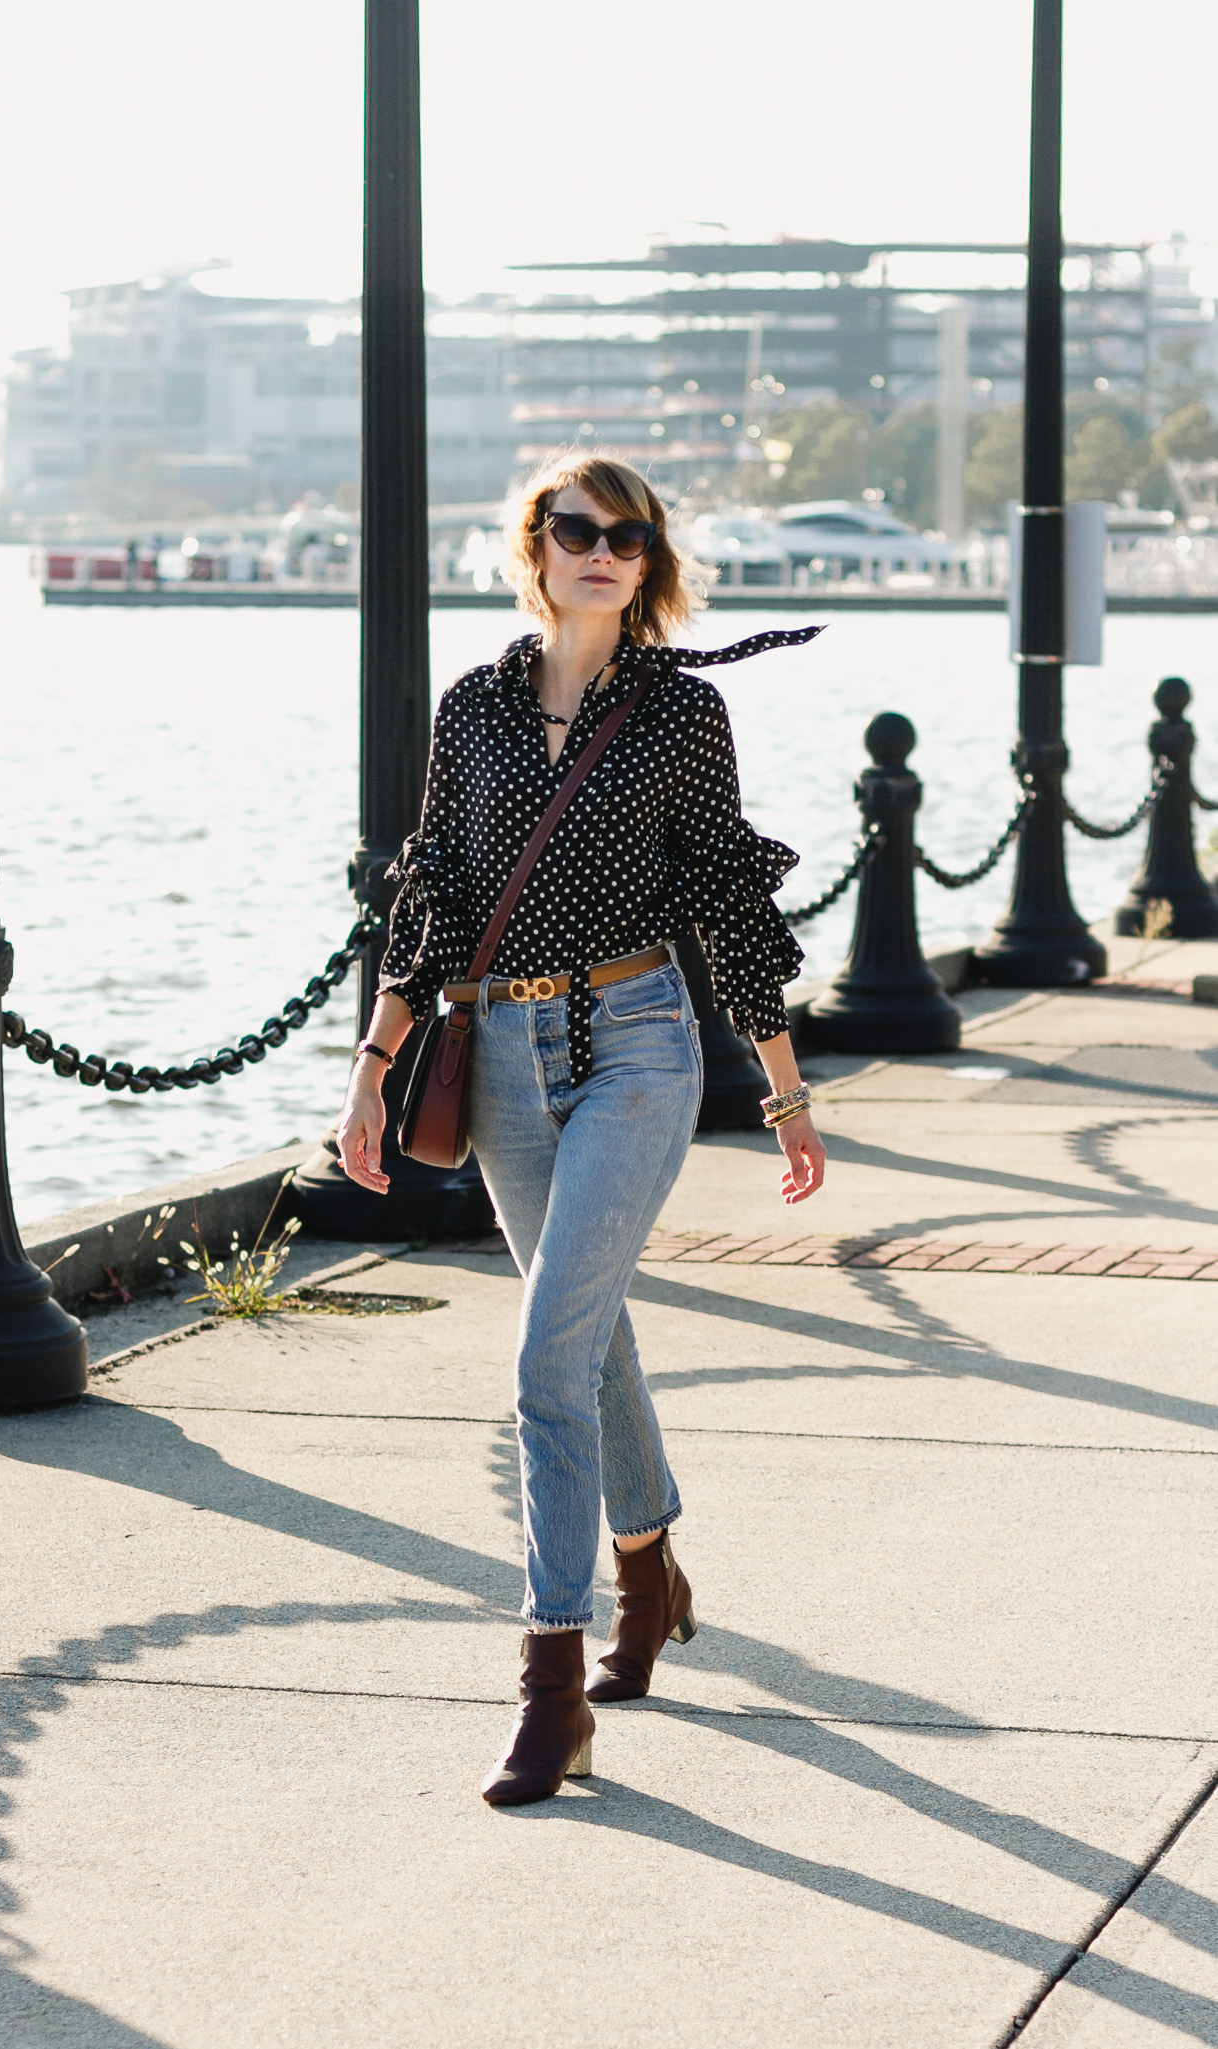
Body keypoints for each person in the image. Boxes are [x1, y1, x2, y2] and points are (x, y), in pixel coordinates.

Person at [336, 452, 826, 1806]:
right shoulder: (475, 708)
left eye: (624, 534)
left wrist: (779, 1083)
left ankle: (550, 1691)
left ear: (647, 559)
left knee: (546, 1352)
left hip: (638, 1048)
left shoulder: (677, 716)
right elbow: (430, 890)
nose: (598, 550)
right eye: (574, 529)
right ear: (534, 547)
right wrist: (372, 1068)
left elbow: (728, 896)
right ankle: (649, 1564)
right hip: (495, 1053)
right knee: (585, 1328)